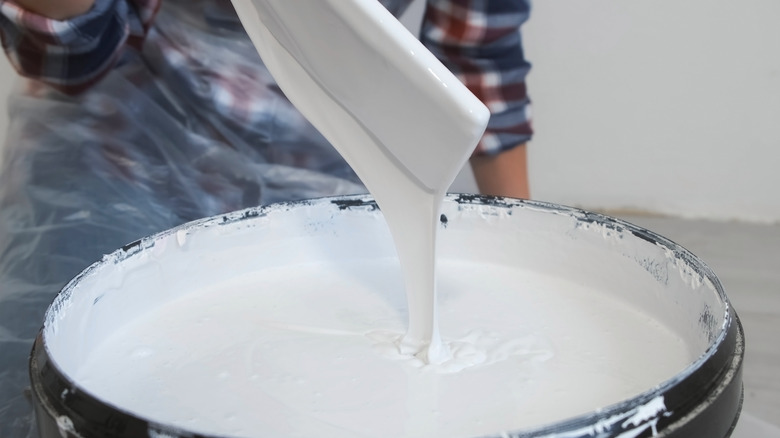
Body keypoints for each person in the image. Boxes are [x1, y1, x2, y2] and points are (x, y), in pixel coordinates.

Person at [0, 0, 532, 436]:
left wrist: (526, 251)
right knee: (53, 388)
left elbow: (479, 59)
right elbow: (69, 50)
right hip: (124, 145)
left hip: (330, 156)